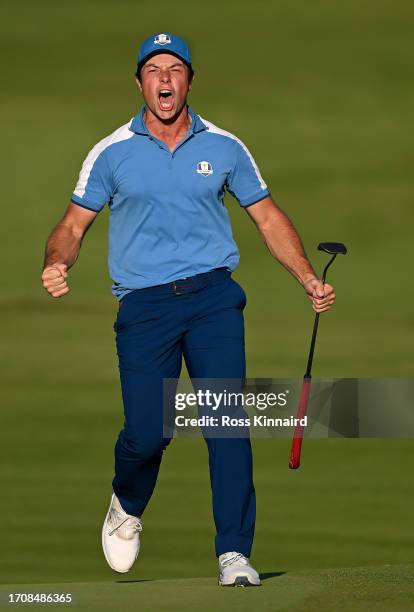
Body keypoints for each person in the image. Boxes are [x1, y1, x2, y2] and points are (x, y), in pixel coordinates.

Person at [41, 32, 336, 587]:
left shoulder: (224, 146)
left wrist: (305, 277)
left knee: (226, 421)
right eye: (154, 70)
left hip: (213, 300)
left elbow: (268, 218)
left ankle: (234, 553)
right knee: (149, 432)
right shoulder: (111, 151)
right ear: (140, 83)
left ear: (189, 81)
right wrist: (58, 262)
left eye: (175, 69)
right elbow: (73, 225)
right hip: (144, 306)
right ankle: (126, 502)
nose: (165, 80)